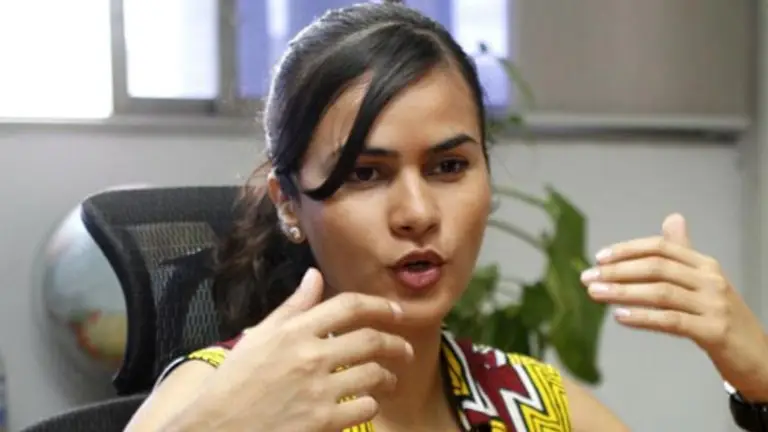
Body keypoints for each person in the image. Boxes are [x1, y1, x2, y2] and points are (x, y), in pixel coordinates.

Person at [124, 2, 768, 431]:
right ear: (289, 203)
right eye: (365, 174)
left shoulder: (528, 405)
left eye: (449, 166)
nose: (417, 213)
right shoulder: (231, 396)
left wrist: (759, 382)